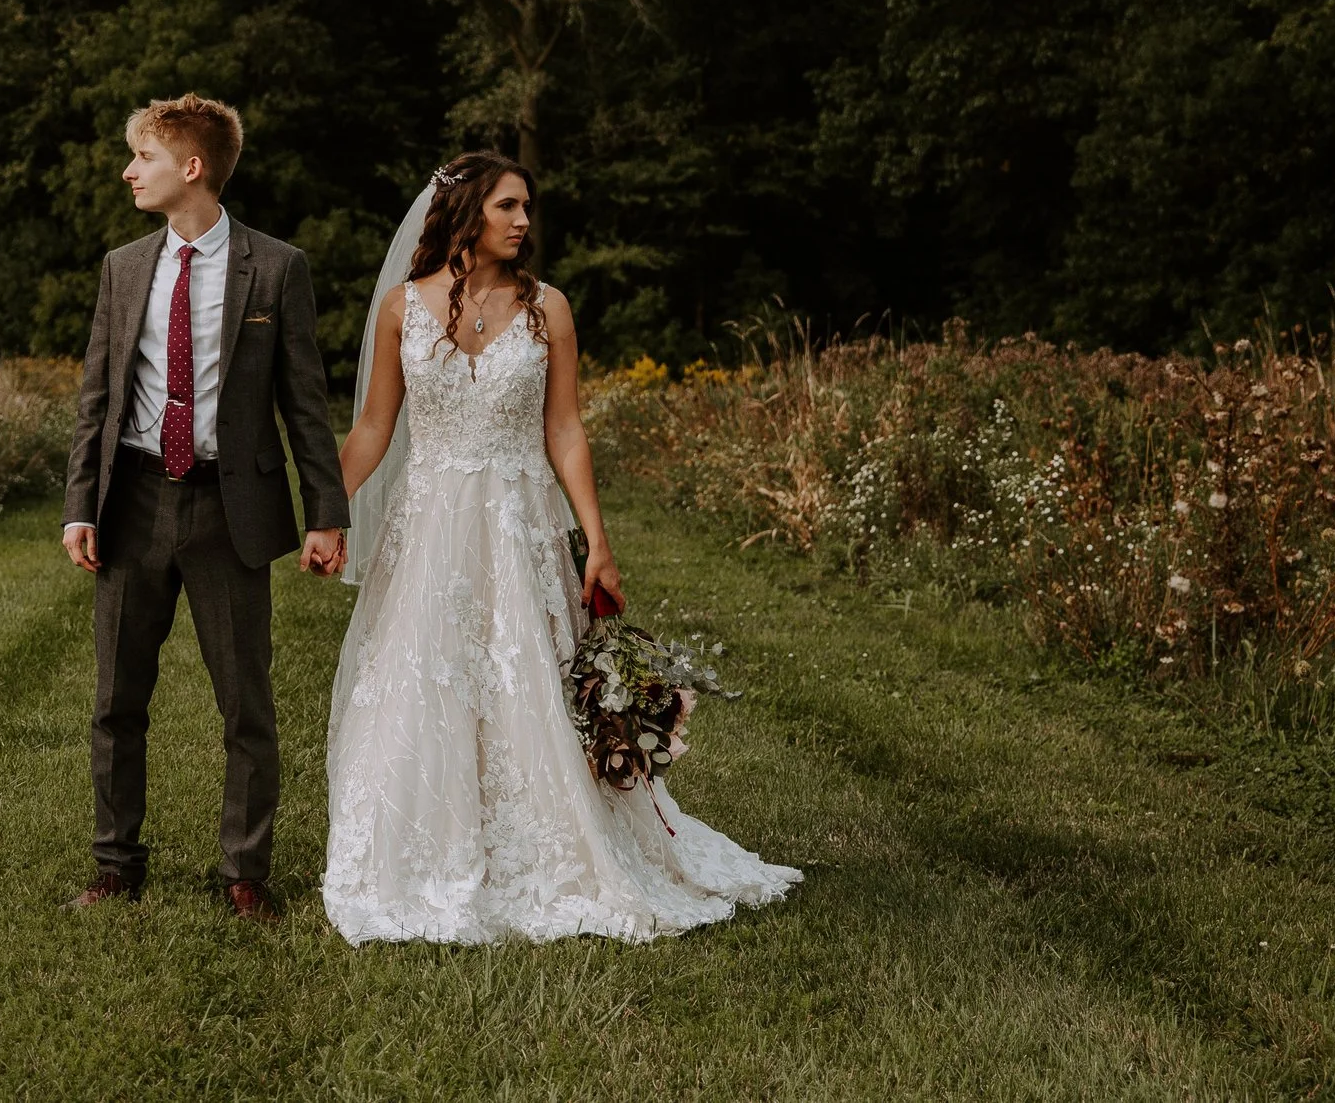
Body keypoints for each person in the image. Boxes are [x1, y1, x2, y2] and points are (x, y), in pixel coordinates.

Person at [316, 152, 802, 943]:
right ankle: (417, 848)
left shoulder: (550, 308)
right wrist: (328, 514)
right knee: (418, 676)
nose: (523, 221)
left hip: (518, 526)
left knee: (526, 681)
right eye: (508, 205)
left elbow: (565, 429)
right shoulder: (402, 309)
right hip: (430, 526)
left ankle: (549, 846)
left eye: (525, 208)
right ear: (467, 211)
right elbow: (375, 426)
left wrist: (598, 541)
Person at [60, 93, 348, 921]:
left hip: (232, 509)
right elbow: (96, 399)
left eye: (141, 157)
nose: (128, 171)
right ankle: (117, 863)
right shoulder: (122, 268)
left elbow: (305, 401)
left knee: (246, 702)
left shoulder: (277, 267)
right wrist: (82, 502)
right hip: (134, 500)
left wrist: (325, 512)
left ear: (191, 167)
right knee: (117, 698)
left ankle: (244, 872)